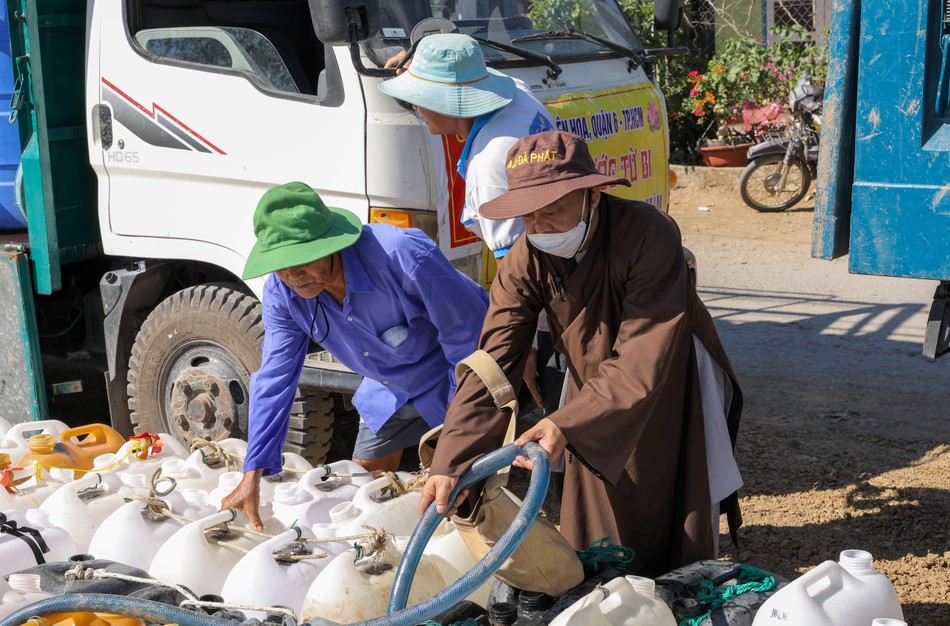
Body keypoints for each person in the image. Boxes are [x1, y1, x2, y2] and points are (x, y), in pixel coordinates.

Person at [421, 131, 744, 577]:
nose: (540, 227)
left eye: (552, 211)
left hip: (669, 370)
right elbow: (493, 363)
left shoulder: (649, 233)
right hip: (590, 382)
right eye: (528, 215)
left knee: (674, 487)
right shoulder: (524, 258)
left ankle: (678, 592)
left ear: (591, 194)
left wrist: (566, 421)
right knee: (593, 502)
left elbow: (643, 353)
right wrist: (452, 459)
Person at [223, 181, 489, 531]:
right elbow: (275, 378)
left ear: (330, 244)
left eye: (299, 260)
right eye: (280, 266)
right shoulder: (283, 292)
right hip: (386, 387)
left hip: (450, 377)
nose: (292, 276)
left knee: (462, 497)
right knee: (366, 492)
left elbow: (465, 344)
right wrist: (252, 472)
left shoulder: (402, 254)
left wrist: (455, 445)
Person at [379, 32, 556, 408]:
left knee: (563, 421)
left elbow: (521, 273)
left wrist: (520, 347)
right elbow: (466, 73)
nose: (416, 109)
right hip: (573, 262)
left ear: (447, 104)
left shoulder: (492, 165)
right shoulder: (517, 92)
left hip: (556, 312)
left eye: (419, 101)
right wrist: (419, 67)